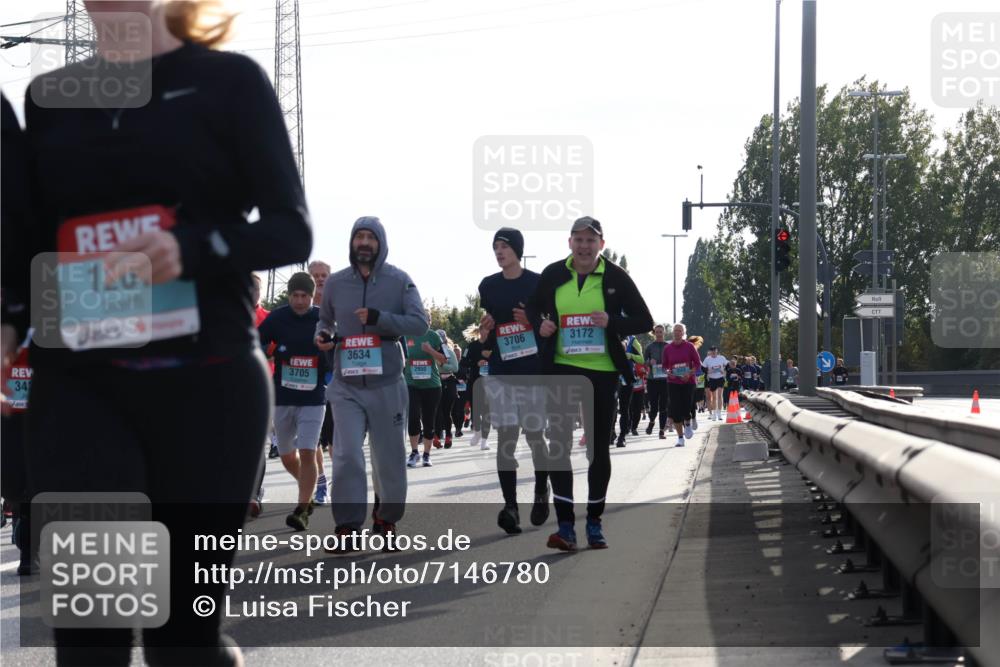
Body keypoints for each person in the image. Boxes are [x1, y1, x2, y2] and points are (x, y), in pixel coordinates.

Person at [22, 3, 312, 664]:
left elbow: (289, 230)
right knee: (90, 632)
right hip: (81, 387)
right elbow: (28, 243)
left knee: (182, 637)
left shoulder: (230, 82)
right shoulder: (49, 100)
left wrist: (190, 246)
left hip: (208, 384)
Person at [528, 216, 653, 551]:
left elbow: (645, 320)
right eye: (578, 240)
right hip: (561, 368)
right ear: (570, 243)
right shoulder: (554, 274)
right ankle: (566, 527)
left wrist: (613, 321)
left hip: (601, 372)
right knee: (559, 446)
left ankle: (594, 522)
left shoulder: (615, 277)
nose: (584, 246)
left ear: (601, 243)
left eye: (590, 240)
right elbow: (533, 308)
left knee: (598, 447)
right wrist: (542, 324)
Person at [315, 217, 428, 551]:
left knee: (389, 457)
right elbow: (324, 320)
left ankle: (386, 517)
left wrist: (381, 319)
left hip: (387, 382)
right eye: (358, 237)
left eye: (370, 238)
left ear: (380, 243)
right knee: (347, 454)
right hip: (346, 383)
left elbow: (419, 323)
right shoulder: (336, 283)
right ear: (351, 242)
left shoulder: (399, 280)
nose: (363, 242)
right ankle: (347, 528)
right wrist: (322, 336)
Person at [477, 228, 551, 534]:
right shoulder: (488, 286)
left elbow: (550, 326)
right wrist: (485, 332)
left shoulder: (536, 283)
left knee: (535, 436)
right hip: (502, 372)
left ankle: (540, 492)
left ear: (517, 250)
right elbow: (487, 335)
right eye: (495, 247)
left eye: (504, 246)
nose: (499, 251)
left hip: (532, 371)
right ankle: (510, 506)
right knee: (506, 440)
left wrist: (531, 321)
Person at [257, 273, 329, 530]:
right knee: (288, 457)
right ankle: (308, 493)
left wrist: (328, 352)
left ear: (312, 296)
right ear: (289, 295)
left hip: (313, 398)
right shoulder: (278, 317)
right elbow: (256, 340)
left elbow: (336, 346)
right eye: (295, 295)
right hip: (283, 397)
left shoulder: (322, 318)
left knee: (308, 452)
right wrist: (271, 350)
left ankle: (301, 510)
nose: (299, 301)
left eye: (305, 296)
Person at [404, 324, 448, 468]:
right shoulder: (406, 336)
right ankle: (414, 452)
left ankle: (427, 454)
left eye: (426, 319)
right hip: (412, 384)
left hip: (432, 386)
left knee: (429, 421)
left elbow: (444, 359)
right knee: (413, 416)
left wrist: (430, 350)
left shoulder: (433, 336)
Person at [308, 260, 332, 503]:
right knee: (314, 438)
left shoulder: (338, 305)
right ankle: (321, 481)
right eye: (315, 275)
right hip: (310, 379)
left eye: (323, 274)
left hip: (336, 378)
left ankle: (343, 481)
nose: (319, 279)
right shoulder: (301, 306)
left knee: (336, 440)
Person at [661, 324, 702, 446]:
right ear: (672, 333)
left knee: (686, 407)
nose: (677, 333)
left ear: (683, 333)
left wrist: (690, 373)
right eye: (675, 331)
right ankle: (680, 438)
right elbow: (664, 366)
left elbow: (697, 364)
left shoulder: (689, 346)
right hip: (673, 382)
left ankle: (688, 422)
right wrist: (668, 372)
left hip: (688, 382)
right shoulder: (667, 348)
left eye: (679, 331)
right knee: (675, 410)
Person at [459, 325, 492, 450]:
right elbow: (463, 362)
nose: (488, 332)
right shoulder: (472, 346)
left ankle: (484, 440)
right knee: (476, 410)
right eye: (486, 329)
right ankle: (477, 432)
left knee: (487, 412)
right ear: (480, 331)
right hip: (475, 382)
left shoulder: (494, 346)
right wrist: (476, 363)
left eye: (490, 330)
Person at [616, 335, 646, 447]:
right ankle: (611, 433)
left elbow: (641, 359)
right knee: (611, 408)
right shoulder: (606, 332)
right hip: (611, 377)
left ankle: (622, 436)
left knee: (624, 408)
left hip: (626, 378)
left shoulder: (632, 340)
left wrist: (630, 355)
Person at [434, 330, 460, 448]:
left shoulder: (449, 352)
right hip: (435, 382)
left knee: (446, 411)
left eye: (441, 338)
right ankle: (436, 436)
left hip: (449, 383)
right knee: (436, 411)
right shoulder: (431, 352)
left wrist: (442, 365)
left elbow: (454, 368)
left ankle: (448, 435)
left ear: (445, 339)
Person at [702, 345, 727, 421]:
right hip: (712, 379)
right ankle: (714, 414)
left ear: (717, 352)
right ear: (710, 352)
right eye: (712, 352)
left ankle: (719, 414)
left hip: (720, 378)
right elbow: (703, 368)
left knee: (720, 395)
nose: (713, 353)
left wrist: (724, 370)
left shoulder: (722, 358)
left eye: (715, 352)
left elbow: (727, 365)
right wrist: (708, 371)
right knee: (714, 397)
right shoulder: (707, 359)